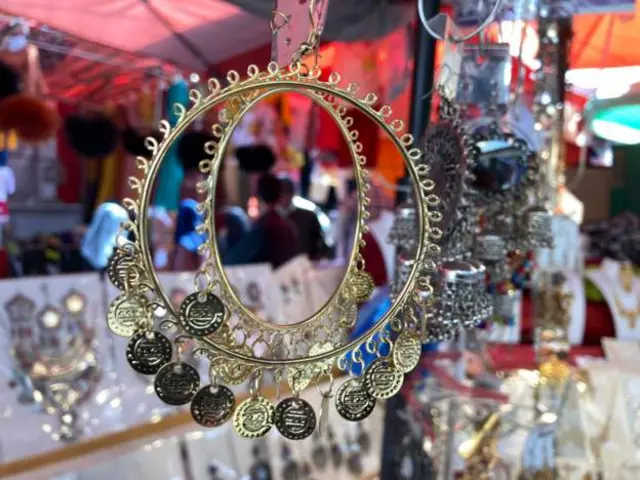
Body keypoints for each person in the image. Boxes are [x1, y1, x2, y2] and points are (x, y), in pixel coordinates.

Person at [225, 173, 301, 269]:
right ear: (279, 196)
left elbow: (235, 260)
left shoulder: (262, 226)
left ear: (259, 197)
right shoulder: (288, 226)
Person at [278, 175, 329, 261]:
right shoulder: (270, 221)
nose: (285, 196)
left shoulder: (309, 217)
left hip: (306, 267)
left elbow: (320, 245)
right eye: (282, 192)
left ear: (293, 192)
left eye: (287, 191)